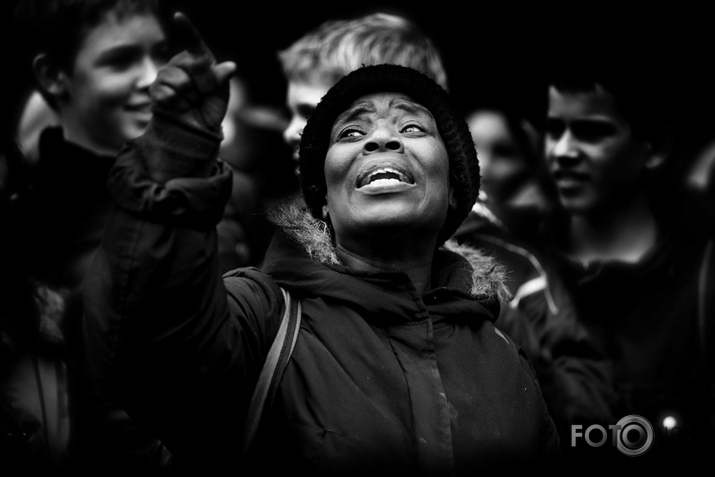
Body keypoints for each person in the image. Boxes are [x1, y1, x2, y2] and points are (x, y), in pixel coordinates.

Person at [81, 12, 561, 475]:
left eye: (411, 127)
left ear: (457, 188)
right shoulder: (261, 317)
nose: (379, 140)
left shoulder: (505, 354)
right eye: (350, 131)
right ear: (322, 200)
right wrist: (175, 155)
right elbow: (149, 355)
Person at [497, 57, 715, 470]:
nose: (562, 151)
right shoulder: (510, 257)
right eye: (555, 128)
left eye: (591, 132)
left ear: (653, 147)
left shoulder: (703, 275)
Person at [10, 0, 175, 472]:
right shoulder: (29, 228)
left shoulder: (220, 188)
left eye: (160, 54)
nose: (154, 77)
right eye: (120, 60)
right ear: (53, 76)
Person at [215, 11, 452, 272]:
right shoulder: (282, 238)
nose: (289, 131)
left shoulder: (475, 268)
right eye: (290, 114)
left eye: (308, 113)